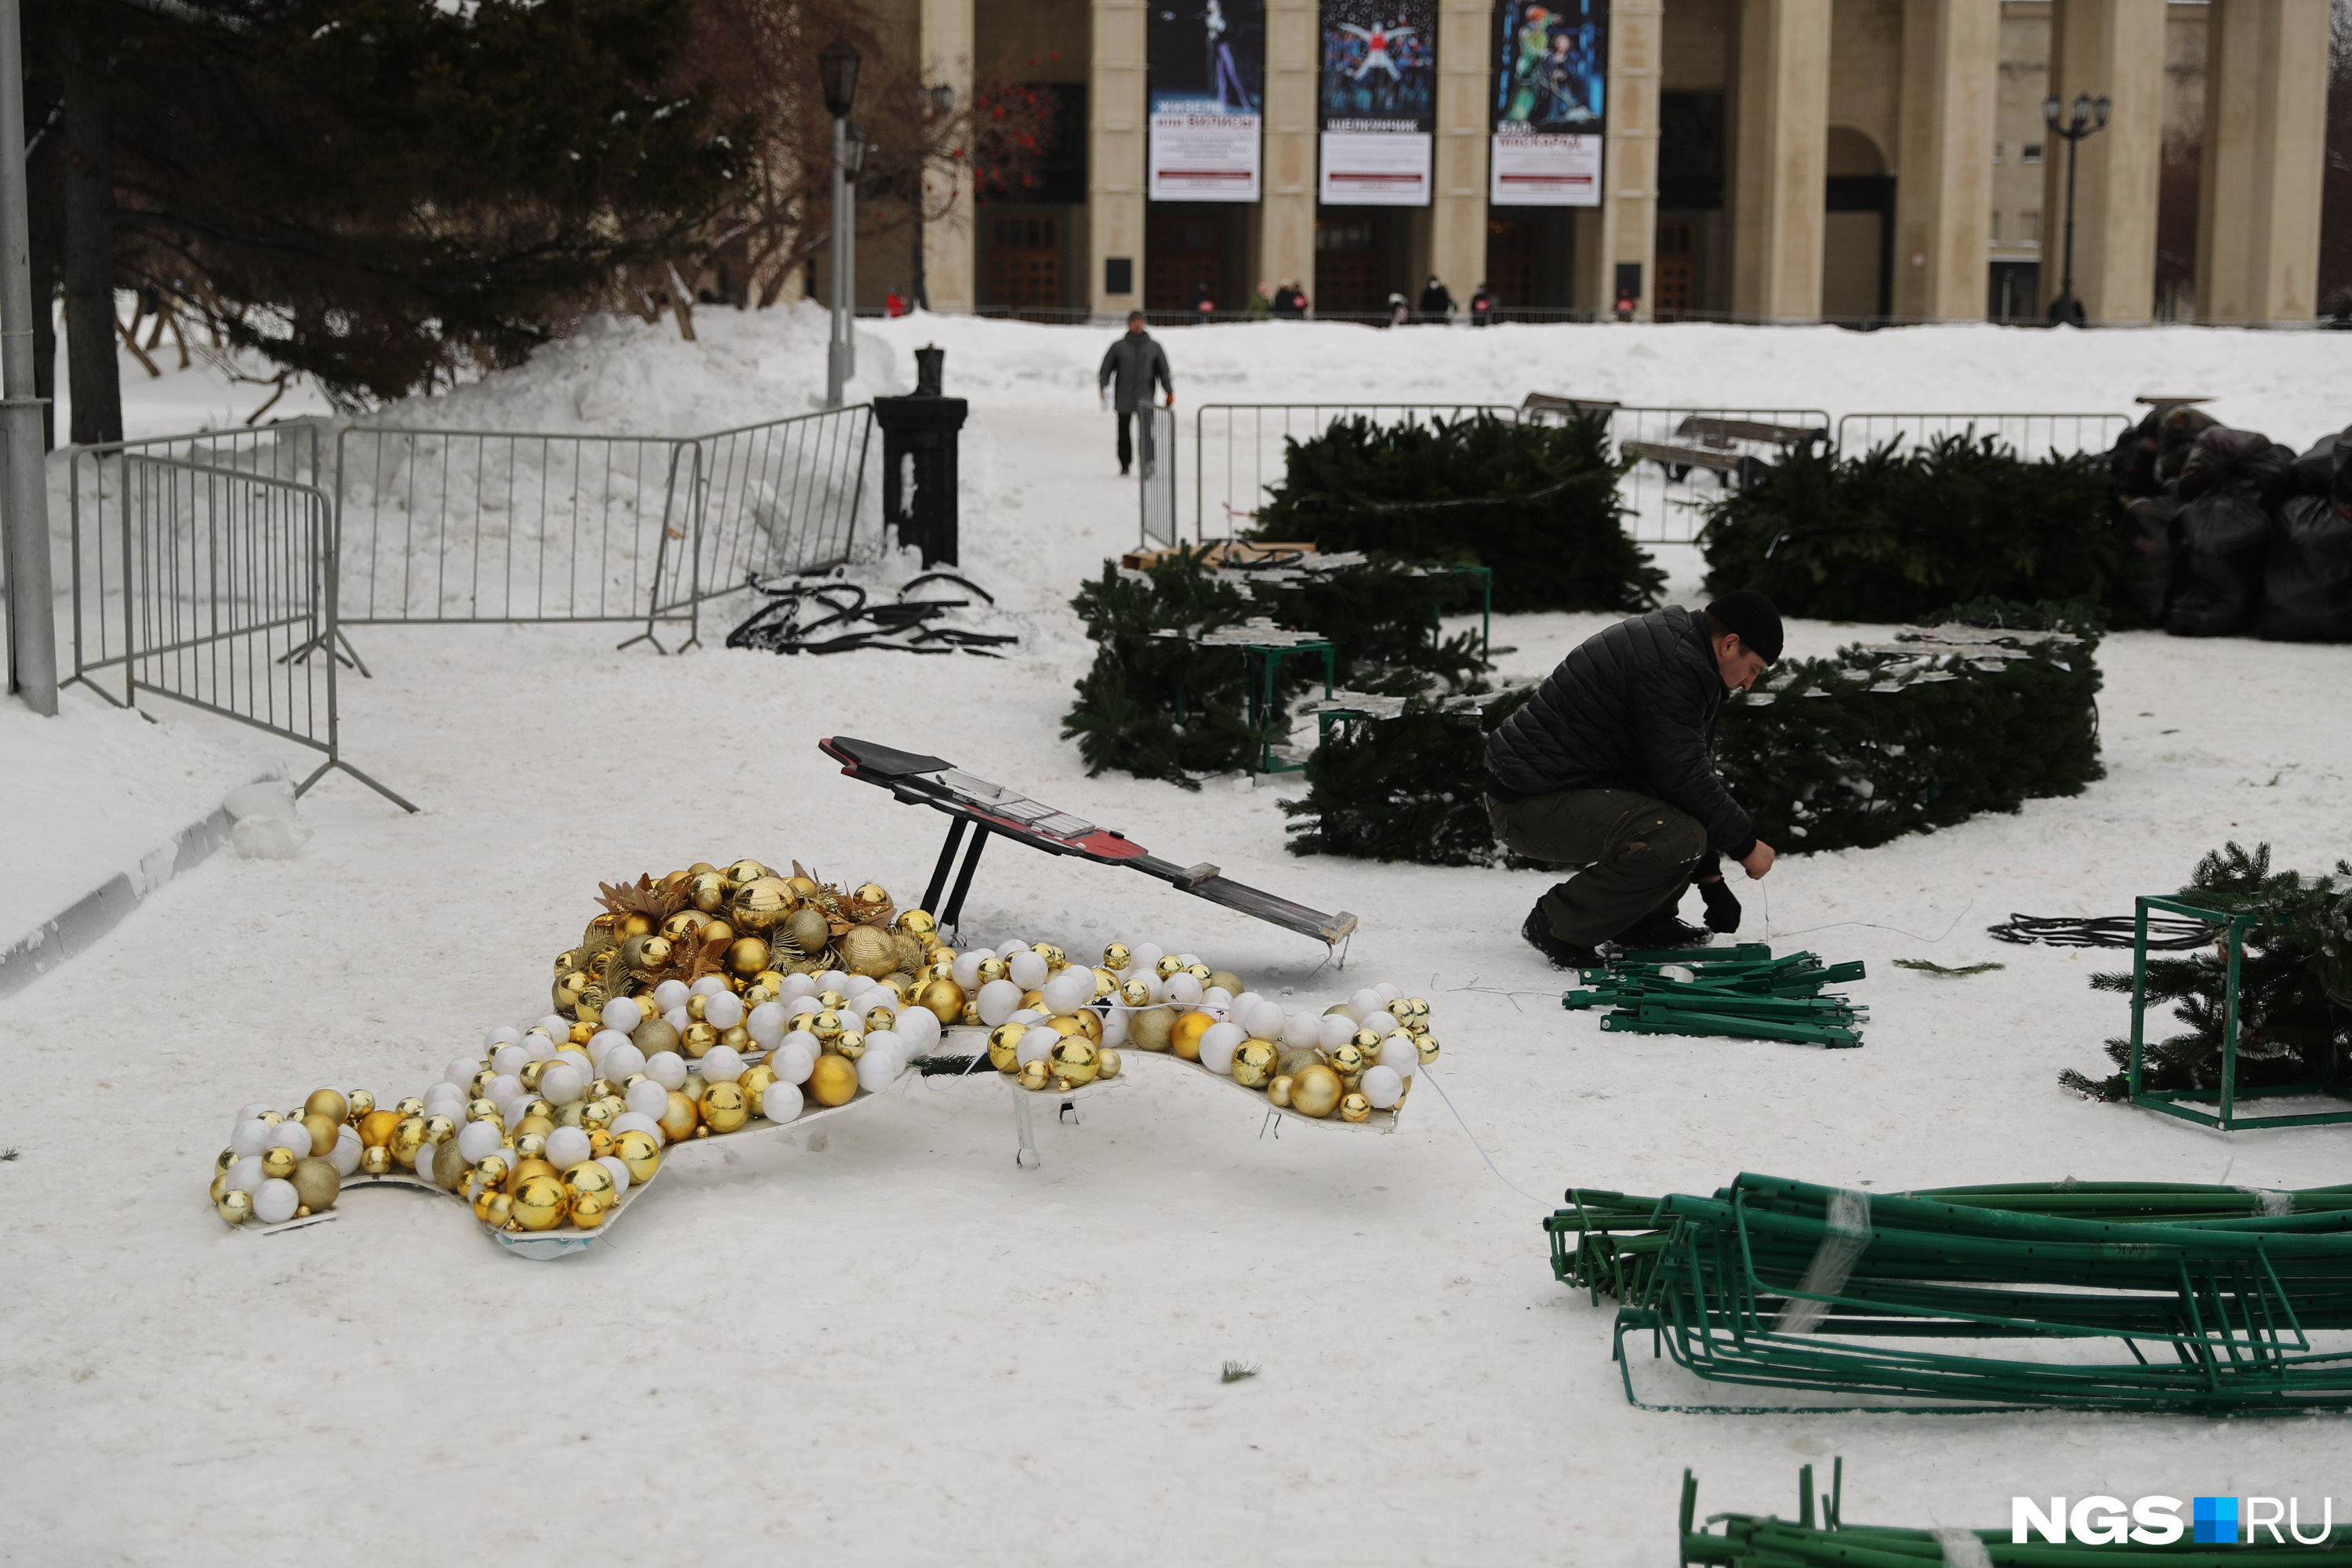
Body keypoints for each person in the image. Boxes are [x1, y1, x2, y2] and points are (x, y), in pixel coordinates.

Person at [1484, 591, 1784, 967]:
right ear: (1730, 644)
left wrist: (1711, 881)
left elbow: (1682, 775)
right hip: (1528, 803)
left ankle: (1642, 922)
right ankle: (1560, 924)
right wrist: (1744, 845)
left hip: (1559, 789)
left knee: (1677, 825)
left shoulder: (1685, 651)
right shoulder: (1674, 663)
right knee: (1673, 836)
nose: (1748, 684)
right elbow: (1684, 779)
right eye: (1754, 669)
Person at [1098, 310, 1174, 477]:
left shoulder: (1154, 347)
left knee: (1147, 434)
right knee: (1123, 434)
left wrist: (1169, 391)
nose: (1137, 325)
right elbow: (1106, 369)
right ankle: (1125, 464)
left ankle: (1148, 463)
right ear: (1129, 325)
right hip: (1123, 396)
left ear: (1144, 324)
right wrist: (1104, 387)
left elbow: (1163, 371)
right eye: (1134, 322)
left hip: (1145, 397)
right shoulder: (1118, 347)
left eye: (1140, 322)